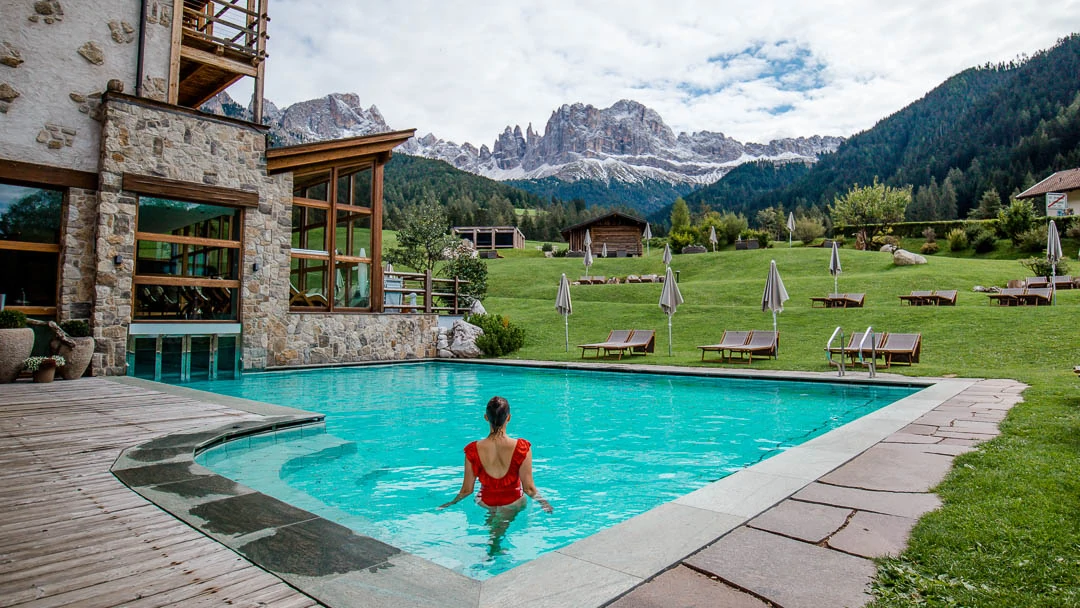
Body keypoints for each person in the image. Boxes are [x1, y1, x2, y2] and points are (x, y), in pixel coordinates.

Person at [439, 396, 553, 514]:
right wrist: (544, 503)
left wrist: (451, 503)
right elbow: (529, 489)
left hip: (485, 502)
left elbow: (466, 490)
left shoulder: (472, 450)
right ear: (508, 418)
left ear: (486, 417)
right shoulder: (522, 448)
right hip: (514, 502)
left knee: (493, 518)